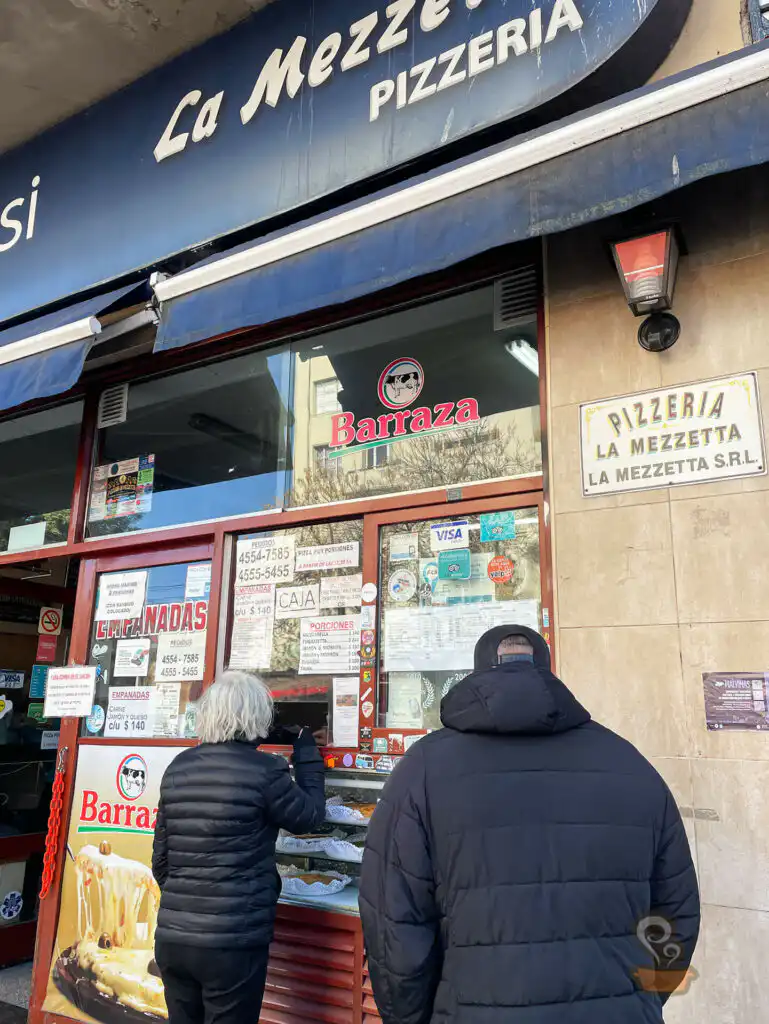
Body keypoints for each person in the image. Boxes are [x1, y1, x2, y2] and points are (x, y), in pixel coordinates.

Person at [360, 625, 700, 1024]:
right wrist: (636, 1000)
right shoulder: (630, 764)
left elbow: (394, 926)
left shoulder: (422, 769)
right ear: (549, 671)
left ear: (477, 672)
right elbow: (676, 912)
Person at [151, 670, 325, 1024]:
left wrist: (188, 908)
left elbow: (161, 860)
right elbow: (309, 817)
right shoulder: (265, 770)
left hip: (173, 939)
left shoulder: (178, 767)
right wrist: (307, 753)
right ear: (258, 717)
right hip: (232, 942)